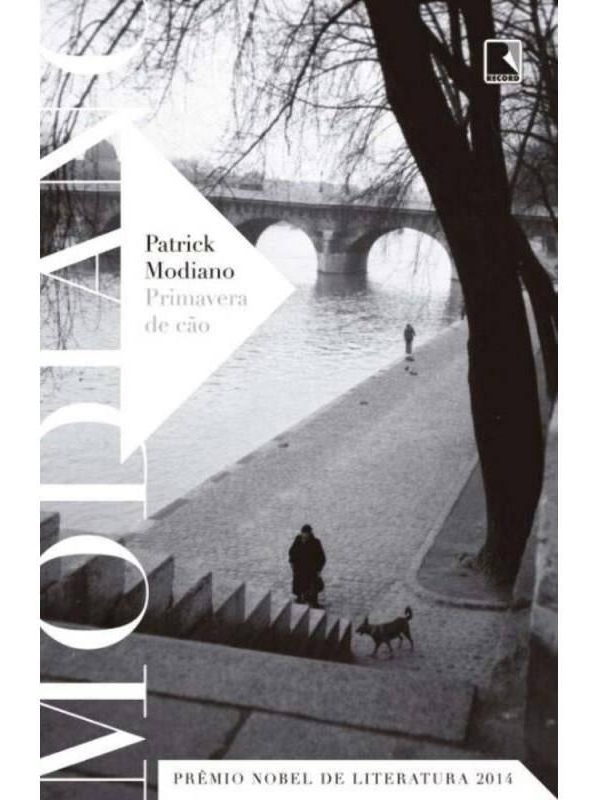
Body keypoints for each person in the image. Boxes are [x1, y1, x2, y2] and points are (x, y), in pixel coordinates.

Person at [289, 524, 326, 608]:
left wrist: (318, 569)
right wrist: (292, 562)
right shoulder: (298, 539)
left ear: (310, 533)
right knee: (299, 585)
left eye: (306, 533)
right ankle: (299, 599)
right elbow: (292, 551)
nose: (305, 535)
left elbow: (322, 557)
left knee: (313, 587)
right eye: (303, 533)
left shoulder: (315, 542)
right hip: (299, 568)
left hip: (311, 569)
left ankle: (314, 603)